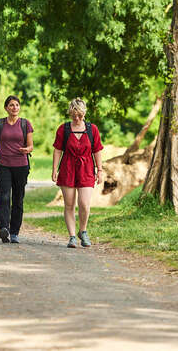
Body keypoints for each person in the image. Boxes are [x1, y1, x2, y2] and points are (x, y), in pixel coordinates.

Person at [51, 98, 103, 248]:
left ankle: (83, 231)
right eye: (74, 115)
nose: (77, 118)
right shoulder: (64, 129)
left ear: (84, 113)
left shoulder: (92, 129)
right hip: (68, 167)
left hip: (86, 168)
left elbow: (97, 150)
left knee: (84, 204)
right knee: (69, 204)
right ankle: (72, 236)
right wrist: (55, 169)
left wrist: (100, 170)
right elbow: (57, 150)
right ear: (70, 114)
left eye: (80, 115)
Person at [0, 95, 33, 244]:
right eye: (11, 105)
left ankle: (15, 232)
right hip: (3, 165)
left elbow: (31, 145)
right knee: (4, 197)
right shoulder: (0, 124)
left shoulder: (25, 124)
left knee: (18, 199)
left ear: (19, 107)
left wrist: (26, 150)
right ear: (6, 108)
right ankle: (4, 228)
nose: (14, 108)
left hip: (21, 166)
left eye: (17, 105)